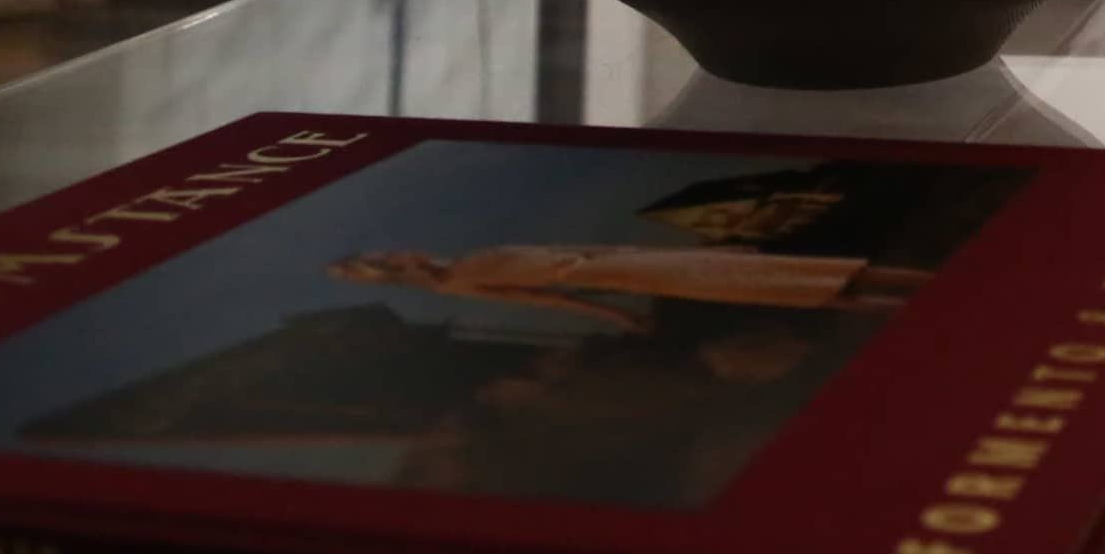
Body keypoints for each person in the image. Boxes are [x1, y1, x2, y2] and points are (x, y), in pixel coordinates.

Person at [329, 242, 930, 329]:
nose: (400, 258)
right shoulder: (457, 286)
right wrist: (622, 319)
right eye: (384, 264)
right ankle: (932, 309)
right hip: (631, 274)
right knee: (802, 289)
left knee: (813, 270)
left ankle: (946, 284)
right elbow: (550, 296)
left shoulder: (471, 256)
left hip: (643, 257)